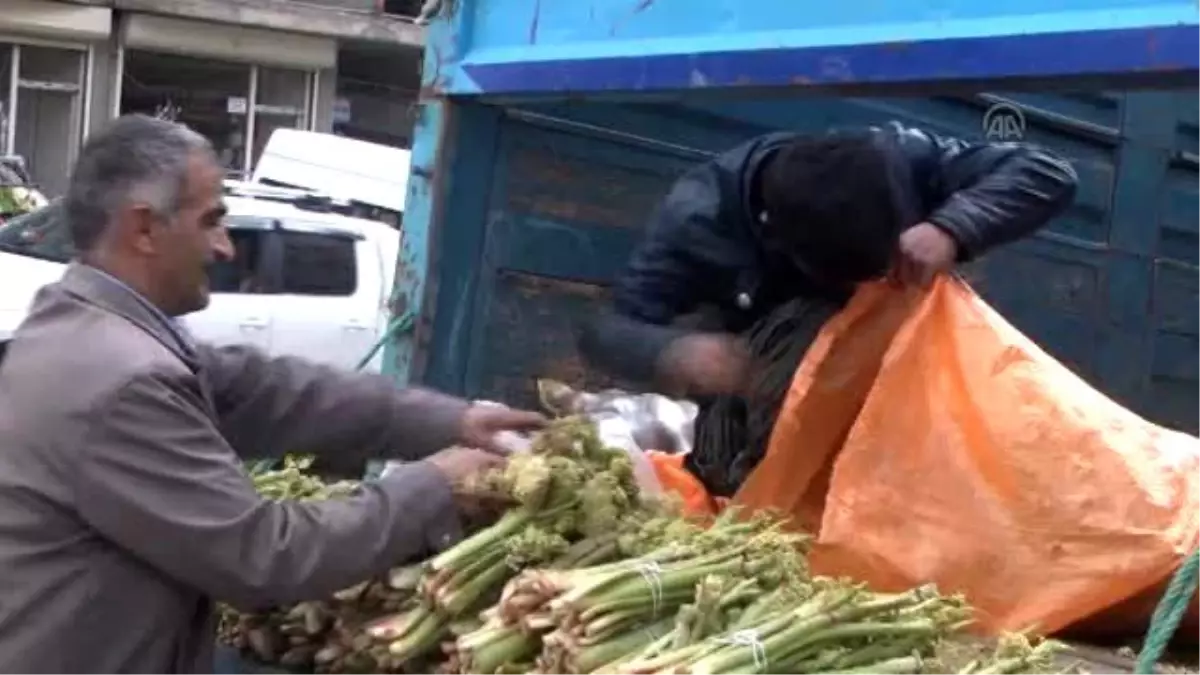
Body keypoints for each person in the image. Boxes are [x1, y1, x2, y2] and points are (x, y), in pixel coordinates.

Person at [0, 115, 546, 675]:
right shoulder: (120, 378)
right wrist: (436, 484)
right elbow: (263, 556)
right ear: (143, 229)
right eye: (211, 221)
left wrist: (456, 420)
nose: (226, 247)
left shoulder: (91, 327)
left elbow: (273, 392)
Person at [580, 121, 1078, 497]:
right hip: (773, 406)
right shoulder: (700, 219)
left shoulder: (895, 156)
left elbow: (1047, 172)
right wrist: (674, 351)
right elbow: (606, 330)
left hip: (907, 391)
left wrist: (953, 226)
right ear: (776, 236)